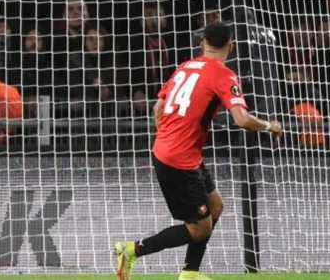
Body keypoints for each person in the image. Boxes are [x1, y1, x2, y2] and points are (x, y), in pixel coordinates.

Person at [113, 22, 283, 280]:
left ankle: (190, 273)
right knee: (199, 229)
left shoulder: (185, 66)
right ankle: (132, 250)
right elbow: (242, 120)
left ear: (202, 42)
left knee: (215, 207)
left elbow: (158, 108)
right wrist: (271, 126)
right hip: (179, 160)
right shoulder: (224, 75)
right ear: (231, 46)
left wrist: (171, 136)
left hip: (176, 151)